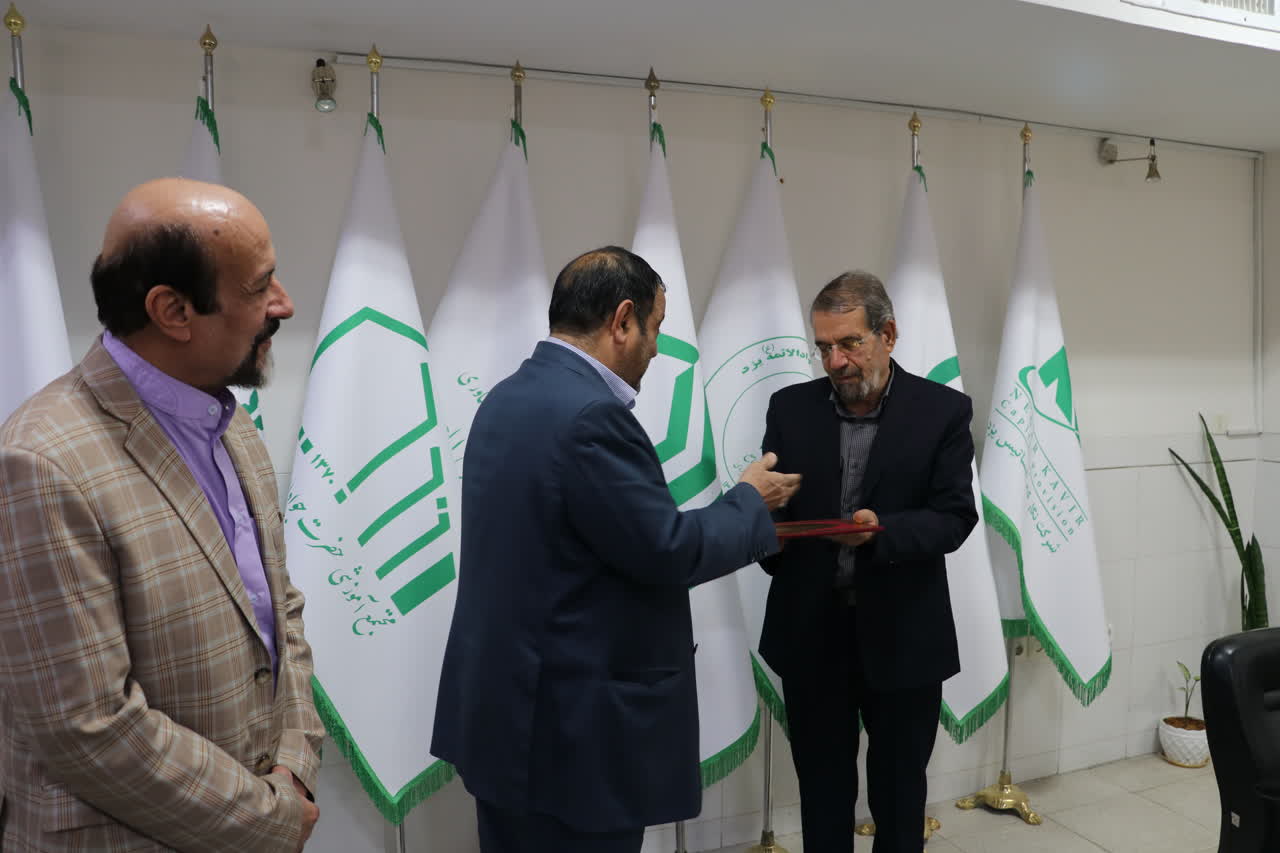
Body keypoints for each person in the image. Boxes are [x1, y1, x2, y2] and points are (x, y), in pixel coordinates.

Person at [431, 246, 802, 853]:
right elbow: (667, 549)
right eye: (656, 327)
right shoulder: (590, 417)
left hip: (507, 718)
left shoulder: (506, 397)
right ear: (623, 320)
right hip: (573, 738)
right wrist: (748, 500)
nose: (656, 348)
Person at [0, 179, 323, 852]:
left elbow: (279, 612)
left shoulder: (228, 424)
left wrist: (293, 764)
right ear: (173, 310)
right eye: (259, 286)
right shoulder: (41, 463)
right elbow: (89, 727)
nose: (283, 303)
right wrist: (267, 820)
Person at [758, 271, 978, 853]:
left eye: (849, 343)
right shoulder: (789, 408)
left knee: (900, 795)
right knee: (822, 791)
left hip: (905, 633)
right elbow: (776, 514)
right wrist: (760, 518)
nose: (835, 361)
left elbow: (955, 517)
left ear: (888, 334)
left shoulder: (943, 411)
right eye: (824, 347)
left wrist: (884, 532)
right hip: (812, 631)